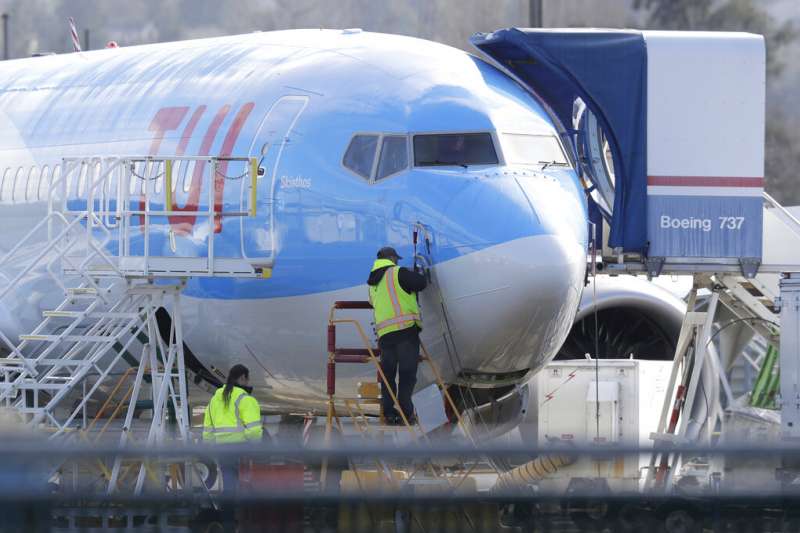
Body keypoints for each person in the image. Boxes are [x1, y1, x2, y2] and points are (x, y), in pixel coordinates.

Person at [367, 246, 427, 425]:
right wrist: (417, 272)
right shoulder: (397, 272)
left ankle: (389, 412)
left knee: (388, 375)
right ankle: (406, 411)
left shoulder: (372, 282)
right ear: (392, 258)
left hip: (385, 335)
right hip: (405, 332)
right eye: (397, 259)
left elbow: (374, 303)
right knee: (407, 373)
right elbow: (421, 283)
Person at [202, 364, 262, 526]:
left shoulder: (215, 399)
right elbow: (255, 429)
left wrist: (210, 447)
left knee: (229, 484)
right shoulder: (244, 399)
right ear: (242, 377)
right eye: (247, 378)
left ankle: (228, 521)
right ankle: (246, 521)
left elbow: (207, 429)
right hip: (242, 448)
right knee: (248, 484)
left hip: (222, 449)